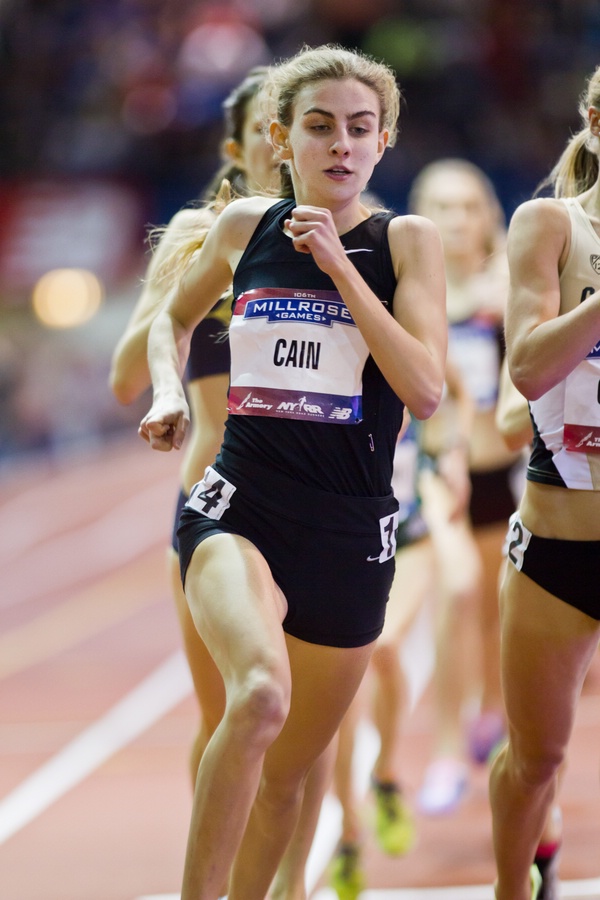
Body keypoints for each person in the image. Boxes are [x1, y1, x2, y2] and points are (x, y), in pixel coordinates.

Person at [139, 43, 447, 900]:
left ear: (383, 142)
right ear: (281, 139)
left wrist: (342, 269)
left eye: (358, 129)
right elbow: (170, 317)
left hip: (351, 535)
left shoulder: (407, 243)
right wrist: (173, 395)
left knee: (290, 776)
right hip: (240, 506)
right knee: (260, 698)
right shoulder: (244, 228)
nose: (340, 146)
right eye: (319, 128)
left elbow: (425, 389)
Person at [489, 65, 600, 900]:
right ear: (594, 122)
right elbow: (526, 368)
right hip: (557, 552)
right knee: (537, 759)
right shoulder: (550, 223)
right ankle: (509, 891)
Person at [408, 159, 522, 814]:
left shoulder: (510, 280)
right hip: (437, 471)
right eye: (441, 207)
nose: (455, 220)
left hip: (502, 473)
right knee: (457, 597)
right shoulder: (411, 284)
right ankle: (447, 749)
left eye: (468, 206)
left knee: (495, 612)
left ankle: (493, 714)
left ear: (487, 214)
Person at [328, 416, 436, 900]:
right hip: (347, 546)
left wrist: (450, 452)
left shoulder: (409, 355)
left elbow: (450, 393)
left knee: (386, 648)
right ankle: (349, 830)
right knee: (340, 698)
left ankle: (385, 775)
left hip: (409, 538)